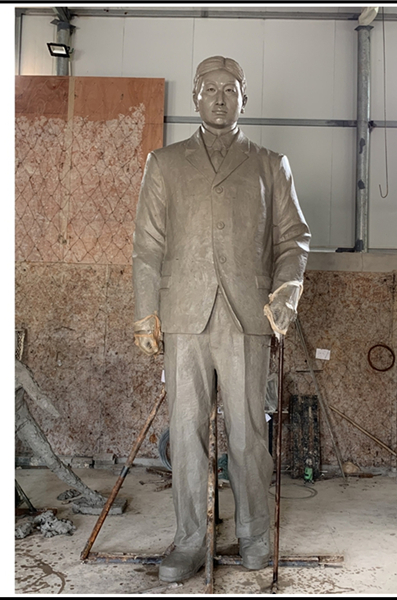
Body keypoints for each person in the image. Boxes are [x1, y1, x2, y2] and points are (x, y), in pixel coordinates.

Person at [132, 55, 310, 583]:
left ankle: (254, 535)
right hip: (184, 316)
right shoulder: (164, 163)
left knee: (249, 433)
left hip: (246, 315)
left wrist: (288, 290)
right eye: (209, 89)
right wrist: (144, 314)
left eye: (229, 90)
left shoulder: (269, 165)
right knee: (186, 433)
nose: (219, 98)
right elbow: (147, 244)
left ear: (243, 99)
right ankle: (190, 540)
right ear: (195, 97)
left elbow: (294, 239)